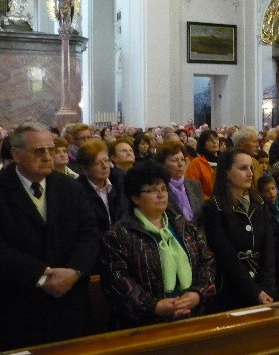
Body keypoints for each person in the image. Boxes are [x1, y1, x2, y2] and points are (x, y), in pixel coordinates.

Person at [0, 122, 99, 352]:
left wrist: (75, 271)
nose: (48, 156)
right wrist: (41, 276)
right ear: (16, 154)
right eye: (39, 151)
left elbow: (89, 234)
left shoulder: (70, 187)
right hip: (18, 309)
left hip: (69, 307)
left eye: (51, 149)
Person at [101, 162, 215, 328]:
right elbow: (117, 279)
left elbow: (207, 261)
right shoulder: (119, 235)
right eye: (152, 190)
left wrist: (197, 294)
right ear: (135, 198)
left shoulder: (184, 226)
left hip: (193, 314)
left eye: (163, 189)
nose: (161, 195)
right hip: (147, 324)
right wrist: (154, 306)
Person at [203, 148, 278, 311]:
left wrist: (266, 286)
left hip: (263, 286)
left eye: (251, 168)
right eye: (243, 168)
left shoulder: (259, 203)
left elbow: (268, 248)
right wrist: (254, 292)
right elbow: (225, 255)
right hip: (231, 290)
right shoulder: (214, 208)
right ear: (227, 172)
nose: (250, 173)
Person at [77, 139, 128, 272]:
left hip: (125, 248)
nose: (105, 166)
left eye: (106, 160)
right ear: (85, 169)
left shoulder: (121, 182)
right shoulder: (77, 191)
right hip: (96, 254)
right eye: (98, 163)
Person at [155, 141, 204, 226]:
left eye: (182, 160)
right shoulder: (159, 189)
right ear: (163, 164)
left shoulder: (195, 184)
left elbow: (203, 216)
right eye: (174, 160)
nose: (180, 164)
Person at [185, 129, 219, 200]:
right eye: (210, 140)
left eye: (216, 139)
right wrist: (210, 200)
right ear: (203, 144)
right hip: (205, 202)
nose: (214, 142)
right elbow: (191, 189)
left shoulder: (225, 160)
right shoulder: (196, 163)